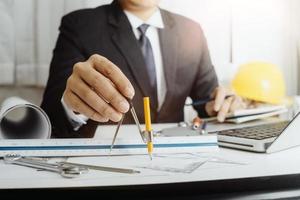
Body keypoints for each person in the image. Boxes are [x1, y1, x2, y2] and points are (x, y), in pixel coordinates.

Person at [41, 0, 244, 138]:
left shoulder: (192, 29)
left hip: (176, 158)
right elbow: (52, 116)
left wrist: (222, 105)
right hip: (107, 163)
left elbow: (207, 100)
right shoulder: (79, 25)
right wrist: (73, 106)